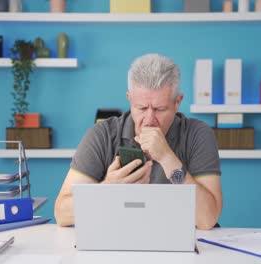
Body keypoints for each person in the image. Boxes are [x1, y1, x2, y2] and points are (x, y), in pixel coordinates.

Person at [54, 54, 222, 230]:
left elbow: (207, 219)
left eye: (160, 109)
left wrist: (167, 158)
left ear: (177, 102)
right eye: (141, 108)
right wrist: (108, 190)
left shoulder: (198, 134)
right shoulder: (102, 134)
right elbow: (61, 213)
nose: (149, 120)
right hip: (118, 242)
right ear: (130, 99)